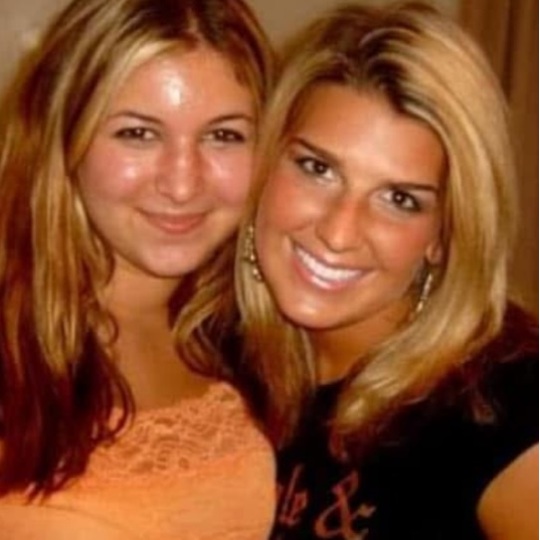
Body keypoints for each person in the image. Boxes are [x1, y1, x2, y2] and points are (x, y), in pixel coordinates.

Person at [235, 2, 538, 539]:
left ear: (444, 236)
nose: (339, 232)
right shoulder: (213, 347)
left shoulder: (505, 400)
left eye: (400, 199)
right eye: (317, 168)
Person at [0, 0, 275, 538]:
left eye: (223, 135)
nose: (182, 183)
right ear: (64, 136)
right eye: (138, 134)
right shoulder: (13, 348)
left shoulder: (258, 339)